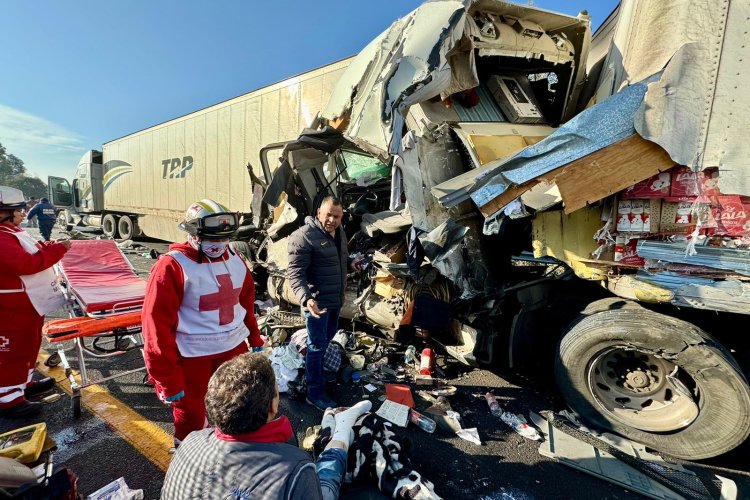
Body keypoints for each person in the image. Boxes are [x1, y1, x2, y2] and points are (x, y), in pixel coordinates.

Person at [161, 352, 372, 500]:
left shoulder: (191, 440)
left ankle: (331, 421)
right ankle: (342, 428)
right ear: (273, 404)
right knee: (326, 477)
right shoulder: (295, 467)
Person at [142, 198, 264, 446]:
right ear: (193, 234)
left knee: (237, 409)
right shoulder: (171, 267)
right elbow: (155, 329)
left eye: (223, 238)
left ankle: (233, 457)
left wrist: (255, 337)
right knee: (191, 418)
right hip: (191, 358)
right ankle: (186, 465)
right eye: (212, 238)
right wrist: (166, 379)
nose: (218, 244)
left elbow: (245, 304)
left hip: (233, 352)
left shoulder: (236, 261)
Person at [287, 196, 364, 410]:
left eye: (336, 216)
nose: (331, 219)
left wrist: (351, 263)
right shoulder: (303, 237)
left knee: (325, 340)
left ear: (342, 216)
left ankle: (315, 373)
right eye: (328, 214)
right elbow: (295, 274)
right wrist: (306, 299)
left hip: (335, 301)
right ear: (319, 211)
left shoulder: (339, 233)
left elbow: (335, 261)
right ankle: (315, 392)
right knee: (317, 346)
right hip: (317, 304)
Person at [0, 186, 70, 418]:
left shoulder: (11, 232)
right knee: (10, 352)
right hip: (8, 311)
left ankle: (24, 383)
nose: (22, 214)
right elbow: (26, 264)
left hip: (26, 305)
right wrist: (58, 250)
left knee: (29, 345)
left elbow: (35, 249)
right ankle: (7, 399)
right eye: (17, 210)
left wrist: (51, 245)